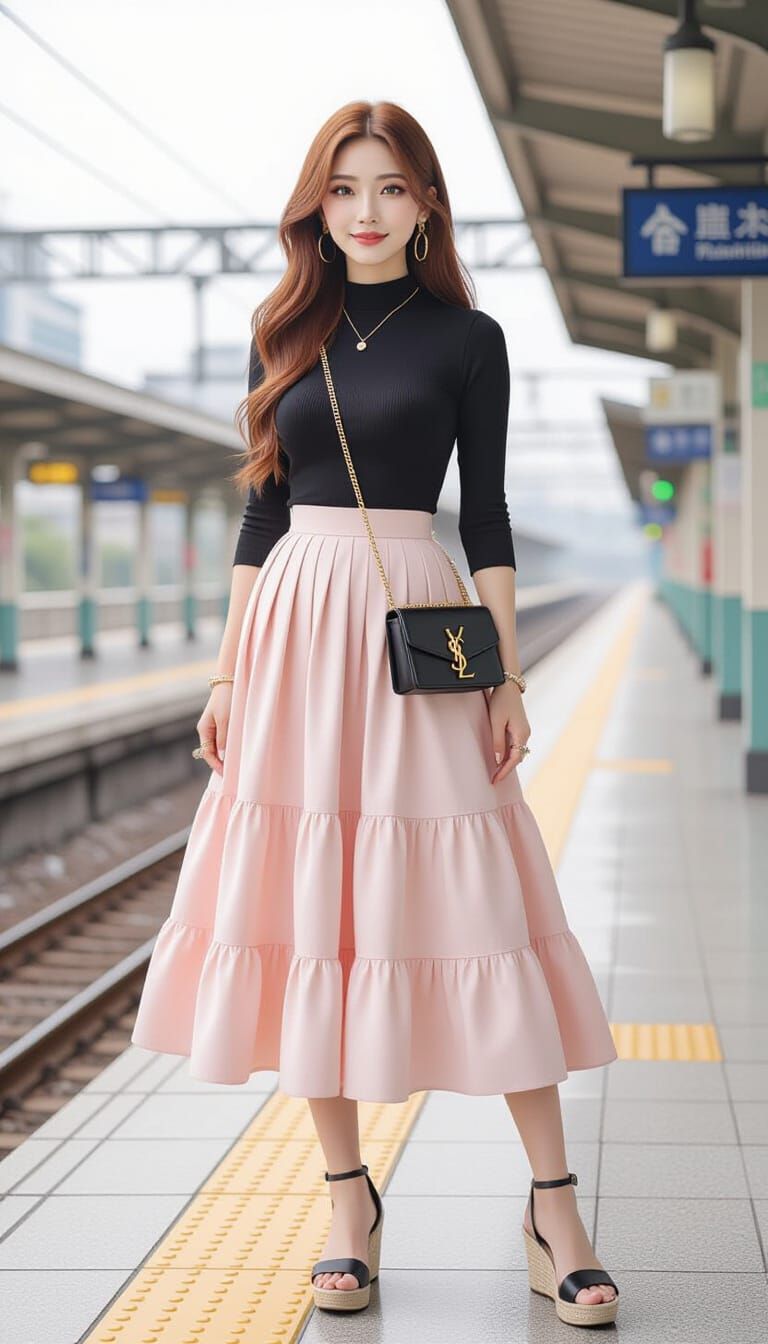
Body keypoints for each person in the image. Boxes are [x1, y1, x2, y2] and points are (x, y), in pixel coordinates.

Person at [131, 100, 619, 1326]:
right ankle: (349, 1199)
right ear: (317, 205)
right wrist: (230, 673)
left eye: (390, 187)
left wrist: (506, 675)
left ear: (427, 204)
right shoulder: (280, 329)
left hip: (417, 615)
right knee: (313, 909)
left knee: (479, 893)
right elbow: (259, 516)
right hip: (295, 625)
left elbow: (489, 517)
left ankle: (552, 1203)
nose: (364, 210)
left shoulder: (470, 338)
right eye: (344, 188)